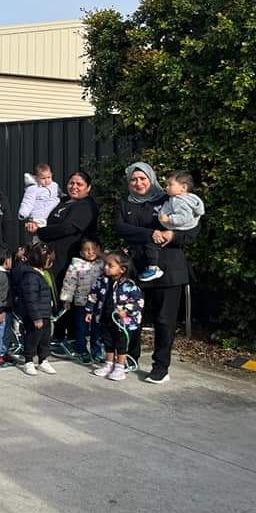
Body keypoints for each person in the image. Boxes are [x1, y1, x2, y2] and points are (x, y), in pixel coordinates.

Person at [112, 161, 198, 384]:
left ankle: (161, 367)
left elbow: (191, 229)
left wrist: (172, 236)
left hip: (169, 271)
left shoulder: (170, 199)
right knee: (131, 317)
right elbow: (120, 228)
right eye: (133, 179)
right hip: (137, 269)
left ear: (151, 178)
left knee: (163, 320)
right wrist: (151, 234)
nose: (138, 183)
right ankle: (130, 357)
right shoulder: (124, 203)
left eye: (143, 178)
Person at [30, 171, 99, 344]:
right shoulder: (62, 202)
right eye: (71, 183)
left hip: (69, 259)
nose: (74, 187)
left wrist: (41, 232)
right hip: (54, 258)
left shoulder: (86, 206)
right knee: (58, 297)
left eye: (79, 184)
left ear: (88, 188)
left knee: (67, 298)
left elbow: (68, 228)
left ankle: (73, 338)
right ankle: (59, 335)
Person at [140, 170, 205, 282]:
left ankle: (153, 268)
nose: (166, 188)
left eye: (170, 185)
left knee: (152, 244)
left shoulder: (179, 201)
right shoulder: (186, 199)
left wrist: (169, 219)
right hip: (176, 230)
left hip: (178, 229)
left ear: (183, 187)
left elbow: (184, 218)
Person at [89, 251, 144, 382]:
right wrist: (89, 311)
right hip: (105, 318)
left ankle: (120, 367)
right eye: (105, 264)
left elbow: (138, 302)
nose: (105, 267)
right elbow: (93, 296)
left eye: (110, 265)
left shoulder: (129, 285)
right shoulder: (101, 281)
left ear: (122, 269)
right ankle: (108, 364)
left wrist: (126, 310)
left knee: (121, 344)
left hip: (121, 322)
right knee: (107, 342)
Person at [13, 242, 58, 376]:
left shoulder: (42, 274)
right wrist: (35, 317)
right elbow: (30, 298)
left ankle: (43, 359)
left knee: (45, 338)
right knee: (32, 338)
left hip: (45, 313)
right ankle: (29, 361)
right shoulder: (31, 276)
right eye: (49, 261)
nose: (51, 264)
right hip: (35, 315)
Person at [59, 237, 105, 362]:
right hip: (82, 302)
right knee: (81, 328)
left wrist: (102, 255)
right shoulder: (76, 265)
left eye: (93, 249)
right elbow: (69, 283)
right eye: (86, 250)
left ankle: (97, 351)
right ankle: (81, 350)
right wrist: (67, 299)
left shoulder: (102, 264)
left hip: (98, 303)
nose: (90, 252)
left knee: (97, 328)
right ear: (81, 253)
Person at [18, 163, 62, 229]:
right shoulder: (33, 189)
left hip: (52, 216)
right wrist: (23, 213)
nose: (47, 180)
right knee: (39, 235)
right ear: (37, 178)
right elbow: (28, 201)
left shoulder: (54, 185)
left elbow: (60, 194)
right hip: (38, 217)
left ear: (51, 175)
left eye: (49, 177)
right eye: (43, 178)